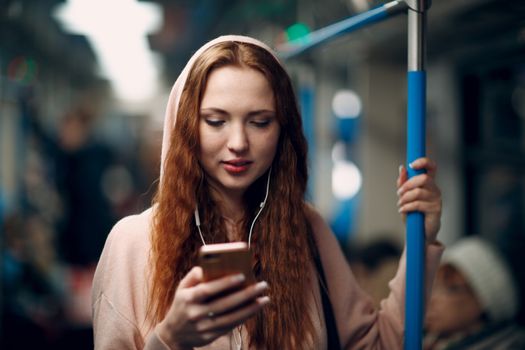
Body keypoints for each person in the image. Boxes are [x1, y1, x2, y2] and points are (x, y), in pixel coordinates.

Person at [91, 35, 444, 349]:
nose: (239, 143)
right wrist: (169, 339)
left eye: (260, 122)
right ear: (187, 127)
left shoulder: (306, 230)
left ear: (283, 130)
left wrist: (421, 241)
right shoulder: (132, 244)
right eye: (216, 121)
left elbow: (376, 344)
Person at [424, 237, 525, 349]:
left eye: (452, 288)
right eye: (433, 288)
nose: (430, 300)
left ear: (484, 300)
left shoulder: (510, 345)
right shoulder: (427, 342)